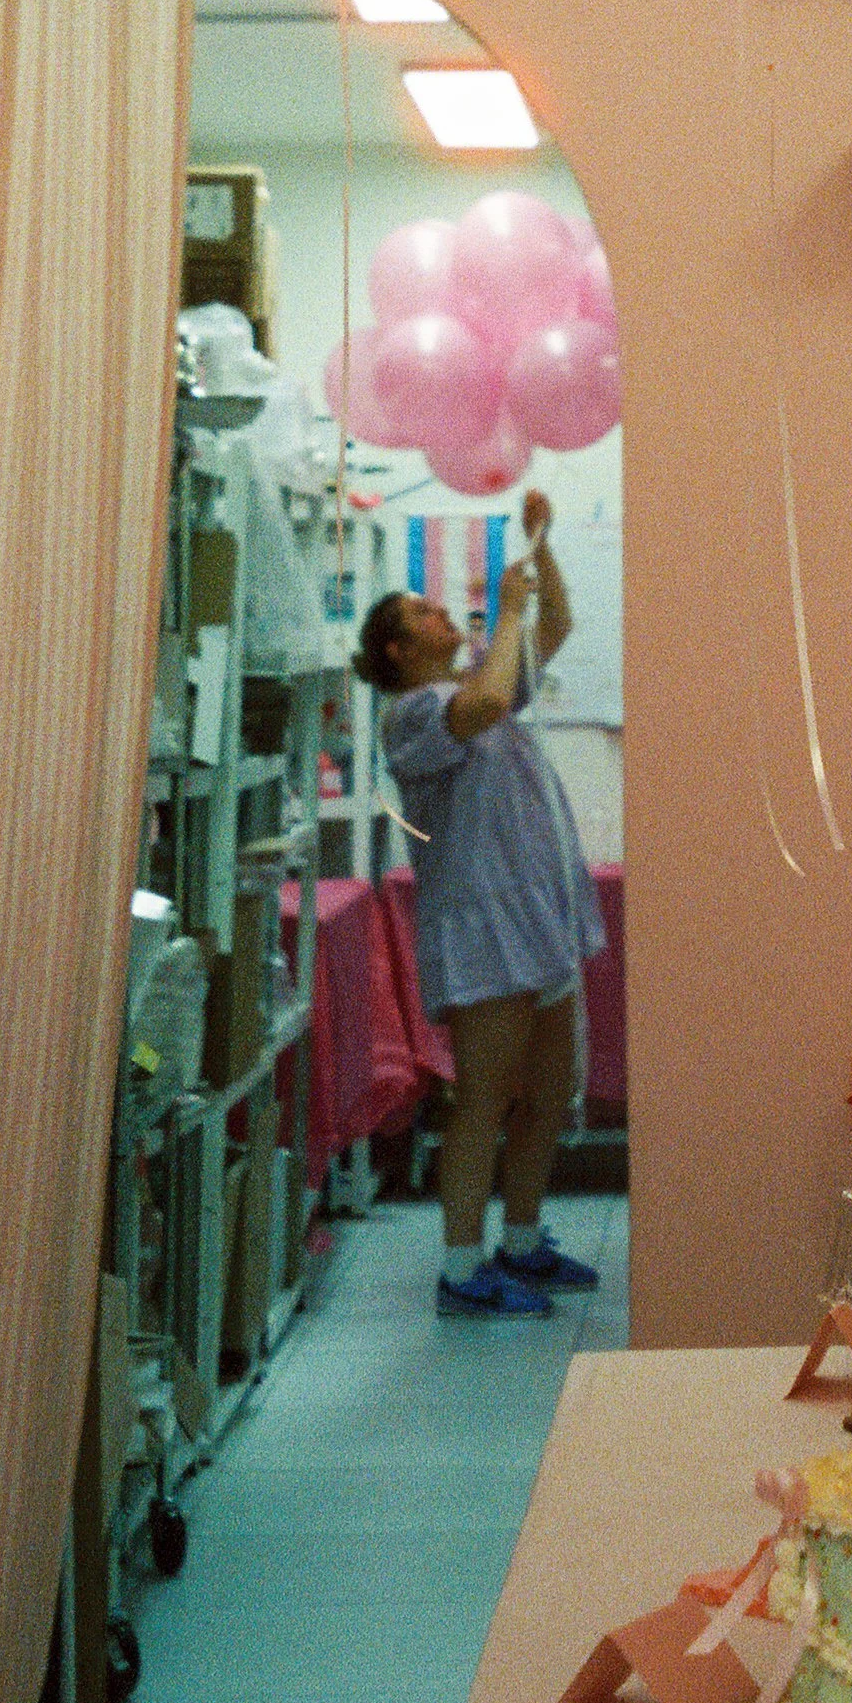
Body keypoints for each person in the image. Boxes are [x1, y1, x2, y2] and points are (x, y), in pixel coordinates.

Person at [359, 490, 606, 1315]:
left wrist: (542, 541)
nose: (441, 612)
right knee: (484, 1098)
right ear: (397, 649)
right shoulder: (414, 714)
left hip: (540, 922)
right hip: (484, 931)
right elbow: (490, 701)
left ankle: (523, 1242)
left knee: (549, 1094)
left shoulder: (477, 685)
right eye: (422, 612)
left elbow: (554, 626)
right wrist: (507, 611)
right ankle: (461, 1269)